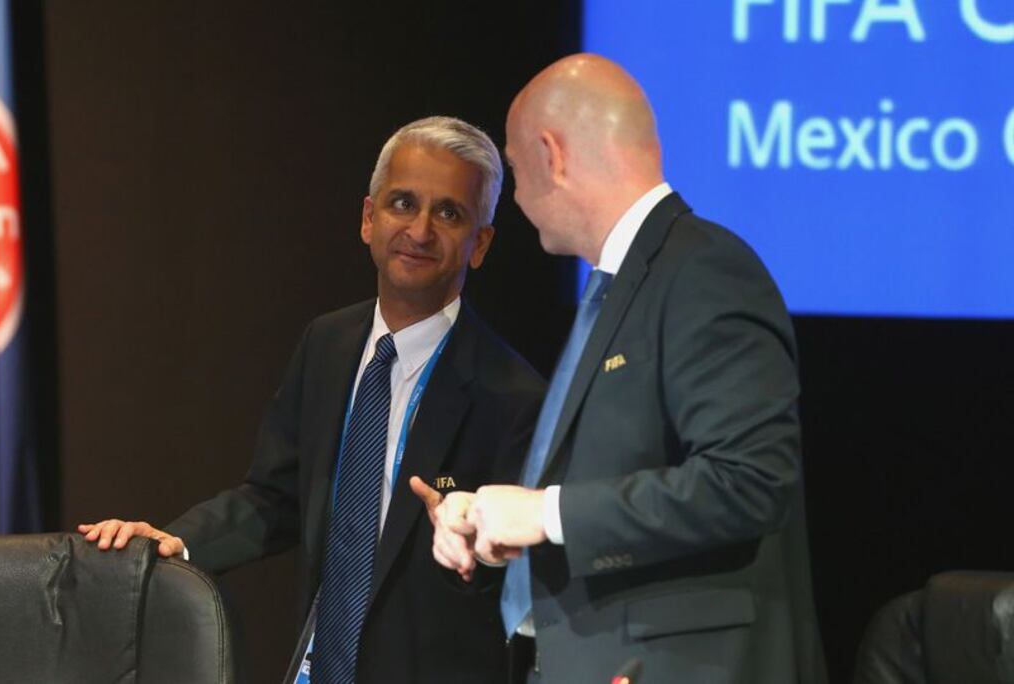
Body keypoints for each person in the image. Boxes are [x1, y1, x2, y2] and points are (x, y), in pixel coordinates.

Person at [79, 116, 545, 684]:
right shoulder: (328, 342)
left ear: (481, 244)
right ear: (368, 219)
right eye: (402, 204)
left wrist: (480, 550)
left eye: (449, 213)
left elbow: (522, 580)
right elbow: (276, 498)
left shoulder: (514, 395)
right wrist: (179, 540)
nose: (420, 231)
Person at [418, 54, 828, 682]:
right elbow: (608, 493)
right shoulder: (620, 287)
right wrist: (500, 527)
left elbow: (749, 481)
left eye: (517, 170)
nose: (518, 199)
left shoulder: (704, 270)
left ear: (553, 155)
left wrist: (545, 514)